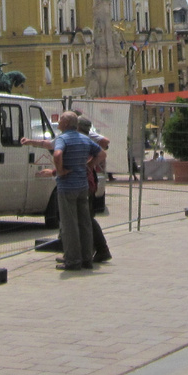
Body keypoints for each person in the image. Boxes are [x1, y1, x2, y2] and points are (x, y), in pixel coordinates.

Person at [51, 111, 101, 271]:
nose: (58, 123)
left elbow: (57, 154)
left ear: (65, 124)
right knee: (84, 223)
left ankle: (73, 260)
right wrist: (89, 165)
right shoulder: (84, 139)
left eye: (60, 121)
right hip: (82, 186)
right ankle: (87, 258)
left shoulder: (62, 139)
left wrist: (60, 171)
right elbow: (101, 153)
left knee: (69, 225)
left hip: (67, 187)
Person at [77, 117, 114, 264]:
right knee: (87, 217)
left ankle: (101, 249)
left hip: (87, 182)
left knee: (87, 218)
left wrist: (89, 164)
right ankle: (94, 249)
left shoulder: (86, 139)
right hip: (89, 181)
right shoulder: (87, 138)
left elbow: (103, 151)